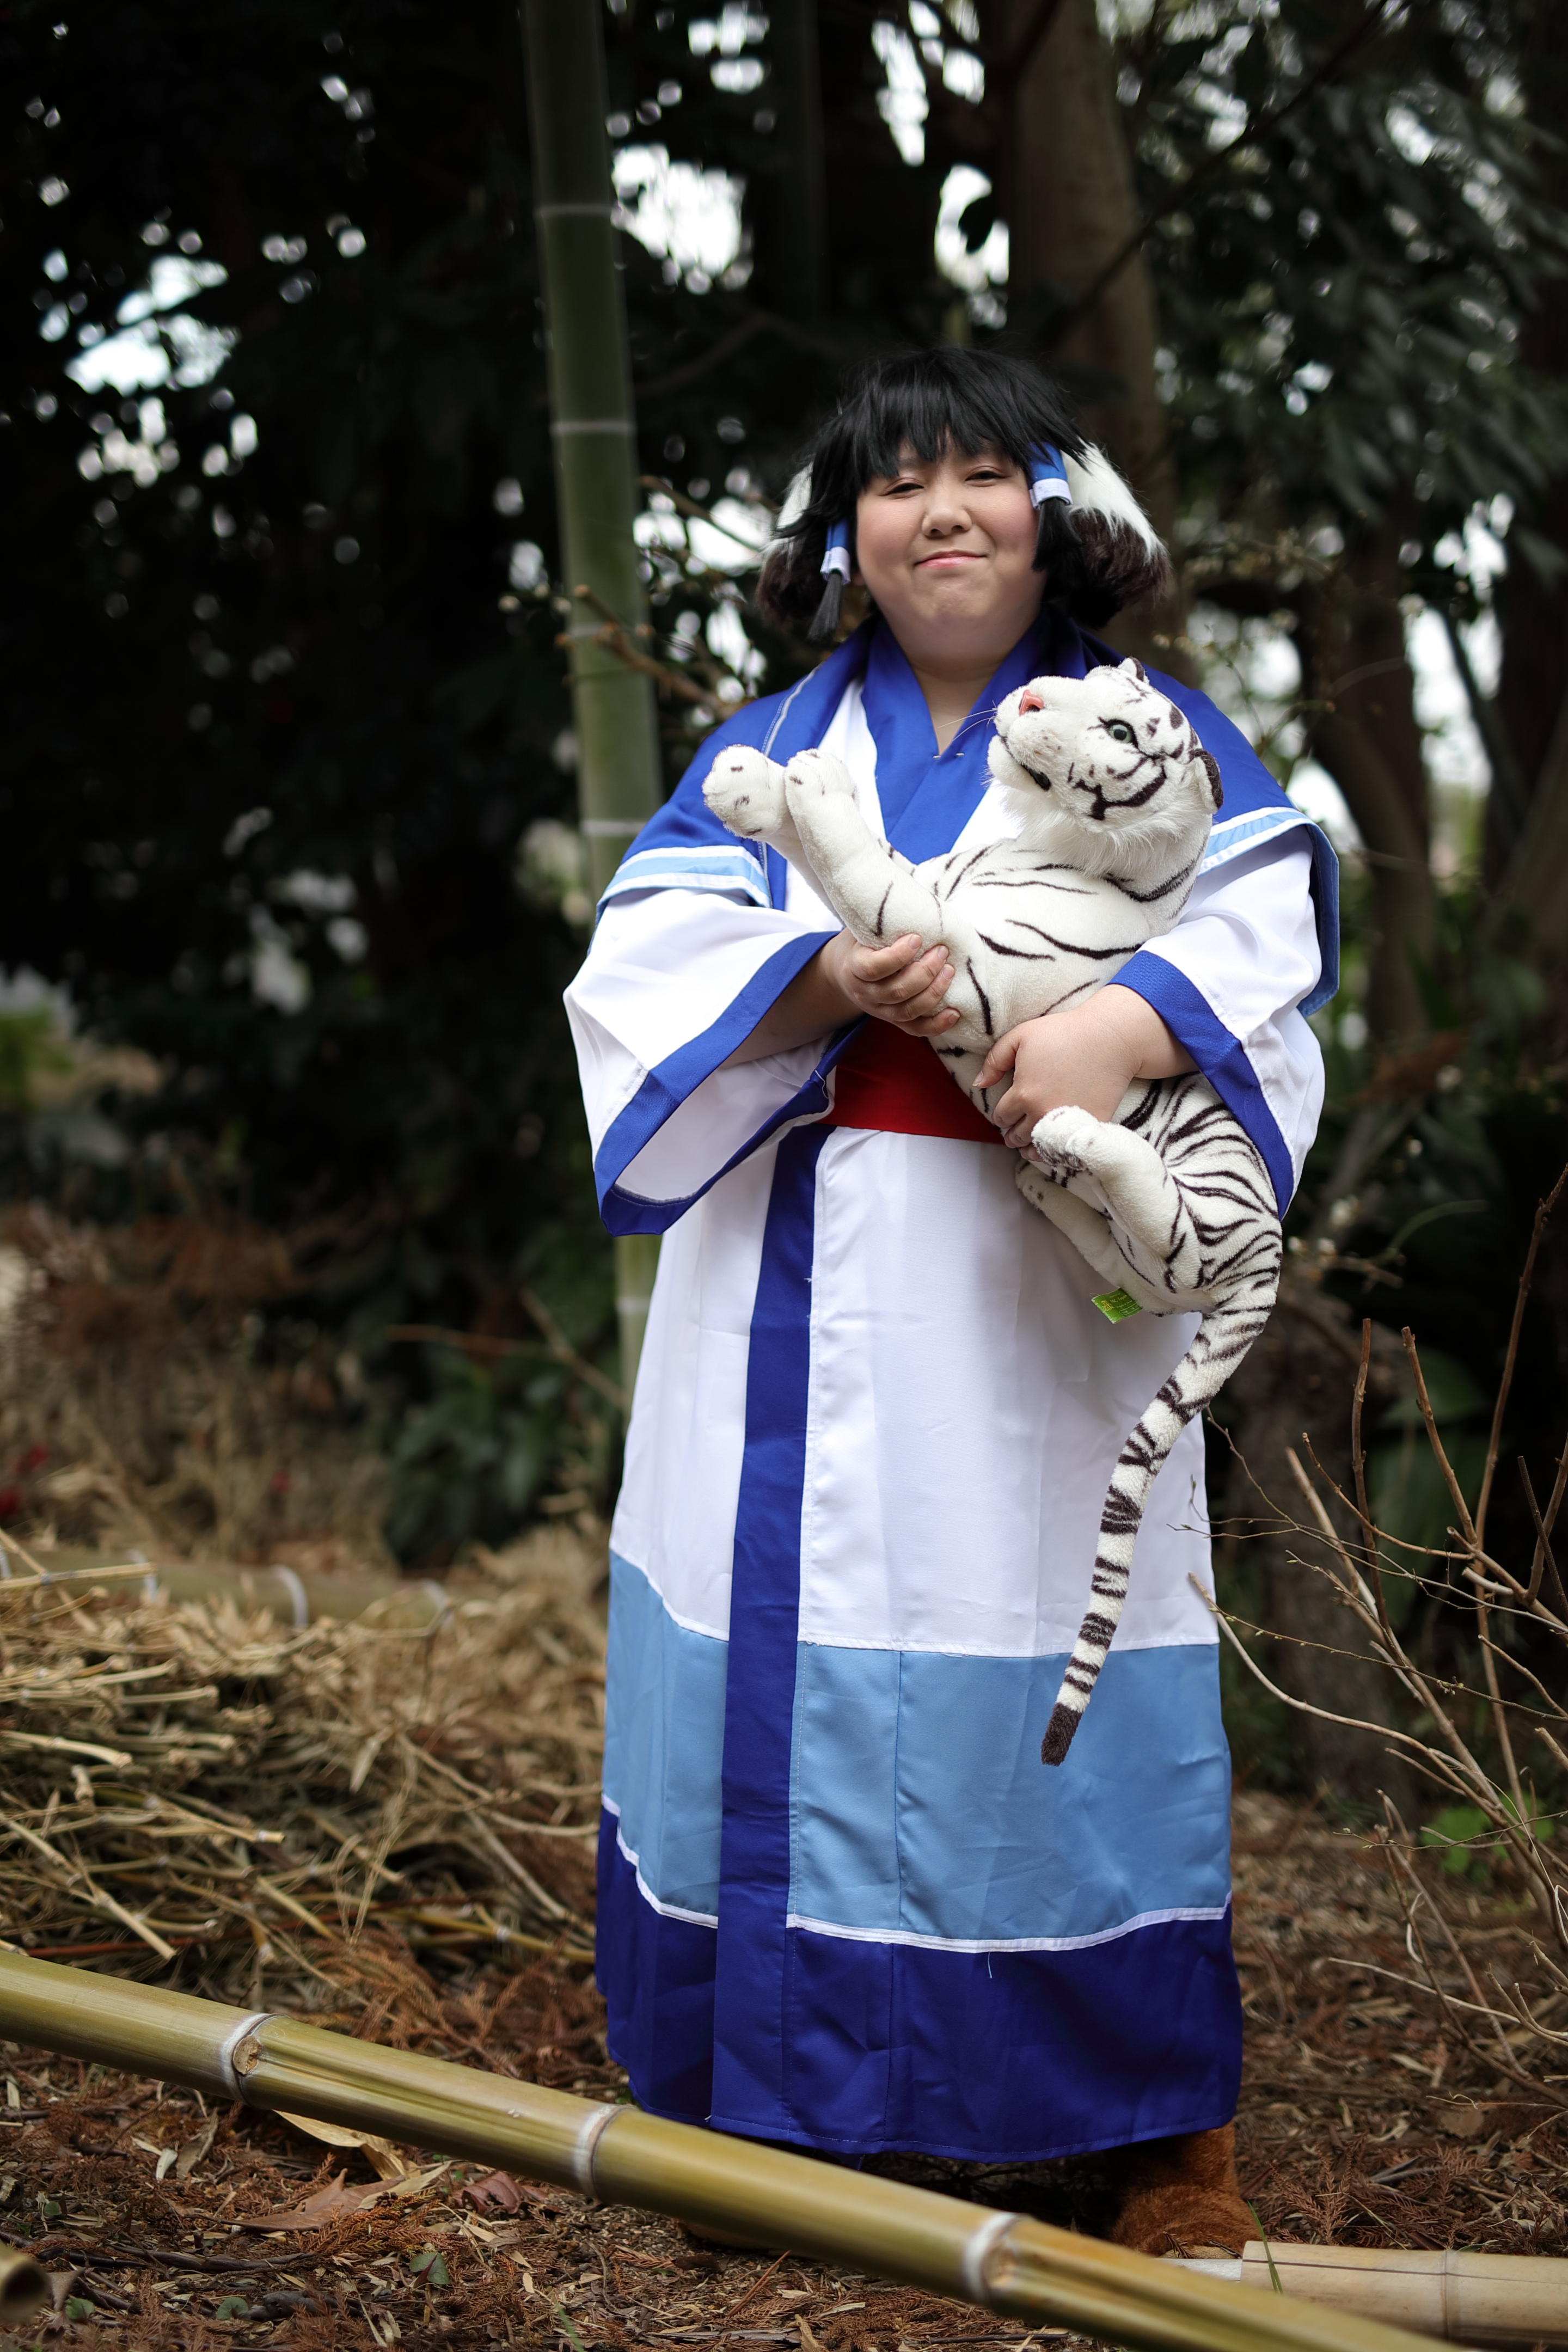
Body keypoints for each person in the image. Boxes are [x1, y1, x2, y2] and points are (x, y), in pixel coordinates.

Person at [565, 348, 1336, 2253]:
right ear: (852, 534)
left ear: (1048, 512)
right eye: (900, 484)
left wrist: (1109, 1022)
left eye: (983, 475)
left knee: (1047, 1666)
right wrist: (826, 976)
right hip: (786, 1277)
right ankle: (783, 2100)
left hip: (1027, 1289)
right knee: (785, 1673)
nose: (943, 512)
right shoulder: (775, 752)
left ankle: (1146, 2123)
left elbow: (1265, 929)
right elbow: (641, 973)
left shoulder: (1147, 725)